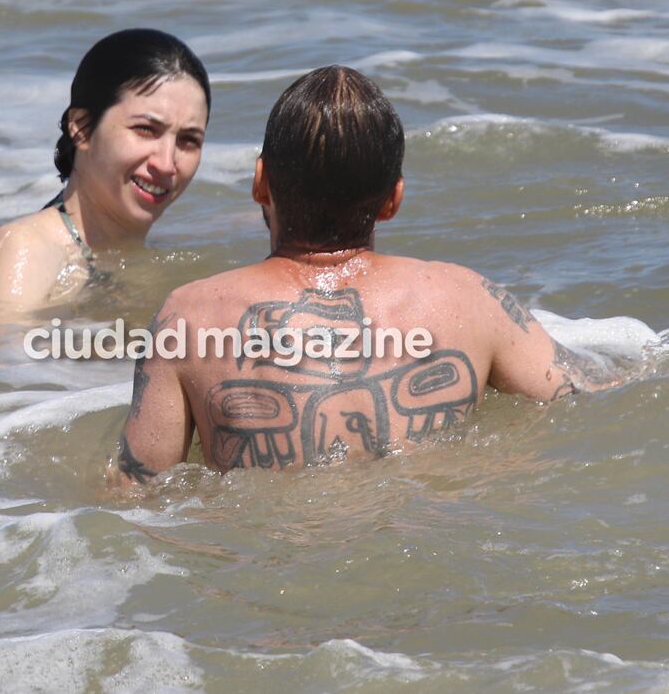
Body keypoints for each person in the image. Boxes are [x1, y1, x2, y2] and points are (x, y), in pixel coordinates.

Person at [113, 65, 617, 484]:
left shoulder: (188, 318)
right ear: (394, 200)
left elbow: (137, 493)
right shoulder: (467, 298)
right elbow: (591, 397)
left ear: (260, 183)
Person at [0, 28, 211, 321]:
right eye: (145, 130)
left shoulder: (145, 250)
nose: (166, 163)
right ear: (82, 128)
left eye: (188, 140)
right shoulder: (25, 249)